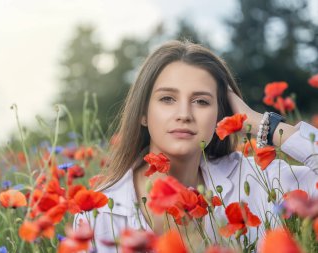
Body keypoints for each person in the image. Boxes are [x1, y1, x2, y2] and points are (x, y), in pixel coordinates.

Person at [74, 40, 318, 252]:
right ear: (143, 113)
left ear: (220, 113)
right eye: (167, 99)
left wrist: (259, 122)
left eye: (201, 101)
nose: (184, 114)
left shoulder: (257, 180)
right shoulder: (99, 213)